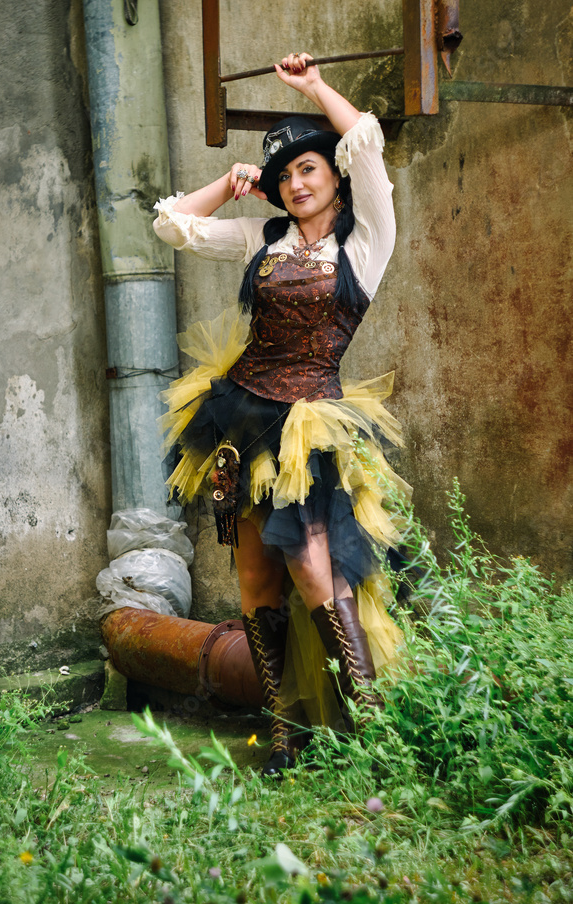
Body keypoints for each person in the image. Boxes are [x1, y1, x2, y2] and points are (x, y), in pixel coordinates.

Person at [153, 52, 409, 776]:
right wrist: (229, 184)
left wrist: (312, 87)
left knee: (311, 566)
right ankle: (283, 732)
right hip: (237, 418)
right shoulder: (260, 240)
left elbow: (362, 135)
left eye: (307, 171)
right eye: (283, 176)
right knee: (256, 580)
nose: (295, 185)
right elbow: (173, 226)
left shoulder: (364, 242)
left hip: (309, 427)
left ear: (333, 178)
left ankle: (371, 733)